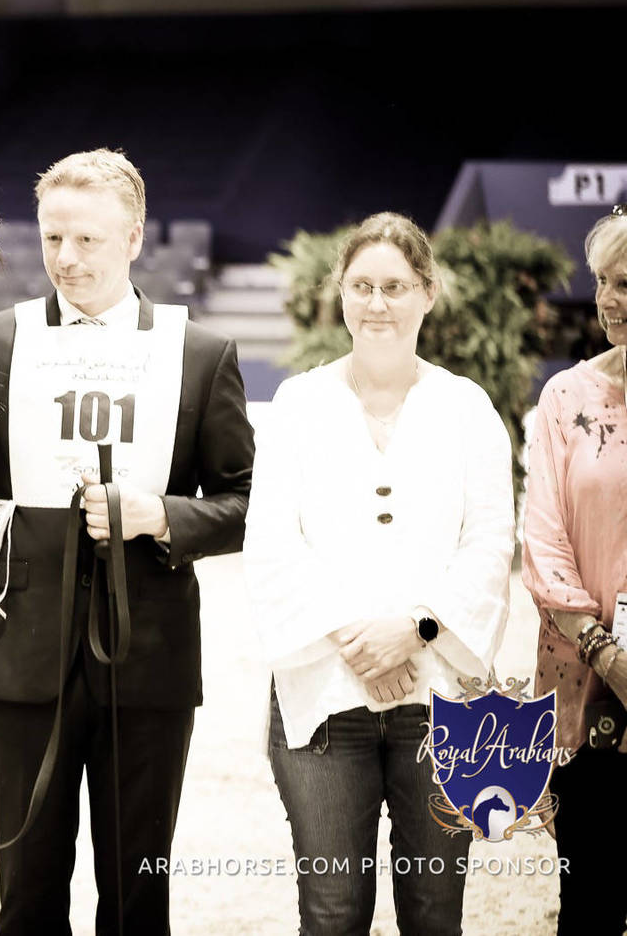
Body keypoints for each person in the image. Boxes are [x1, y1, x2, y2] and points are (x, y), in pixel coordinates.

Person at [0, 149, 255, 935]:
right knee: (26, 897)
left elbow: (244, 502)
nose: (66, 257)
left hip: (148, 658)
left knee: (136, 897)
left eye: (87, 239)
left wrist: (159, 516)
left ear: (133, 238)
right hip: (18, 658)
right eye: (53, 237)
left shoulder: (200, 354)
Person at [242, 212, 514, 934]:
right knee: (331, 914)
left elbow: (490, 545)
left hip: (442, 704)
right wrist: (356, 640)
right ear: (340, 293)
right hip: (324, 699)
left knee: (433, 913)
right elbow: (271, 542)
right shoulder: (298, 405)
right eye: (361, 285)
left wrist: (415, 632)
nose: (377, 302)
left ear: (427, 293)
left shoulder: (468, 409)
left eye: (395, 286)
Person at [520, 205, 627, 936]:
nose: (609, 300)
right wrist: (609, 654)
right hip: (587, 685)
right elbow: (545, 545)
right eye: (602, 281)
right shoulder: (566, 398)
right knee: (588, 904)